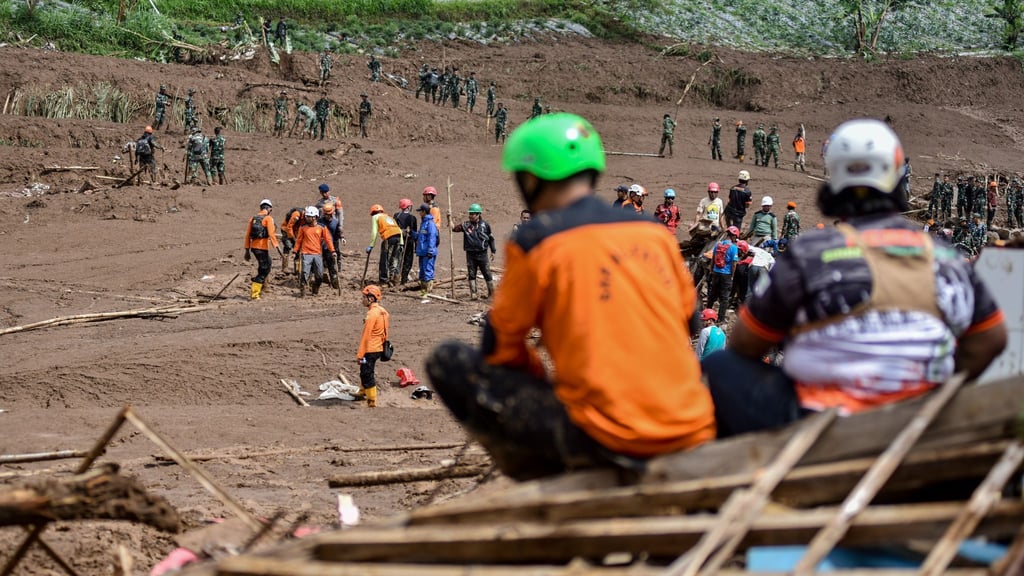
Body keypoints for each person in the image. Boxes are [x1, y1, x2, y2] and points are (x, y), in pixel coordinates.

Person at [425, 113, 716, 480]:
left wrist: (543, 380)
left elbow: (500, 350)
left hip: (606, 440)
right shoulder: (654, 232)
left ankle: (541, 474)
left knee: (448, 360)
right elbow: (688, 320)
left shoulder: (537, 240)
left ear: (530, 179)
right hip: (691, 429)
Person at [703, 118, 1007, 437]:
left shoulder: (810, 252)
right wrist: (941, 383)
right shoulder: (947, 257)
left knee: (719, 367)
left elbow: (745, 343)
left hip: (821, 423)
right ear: (897, 176)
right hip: (917, 419)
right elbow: (993, 338)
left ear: (833, 176)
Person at [451, 203, 497, 300]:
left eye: (473, 214)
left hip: (482, 253)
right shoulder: (466, 225)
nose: (470, 216)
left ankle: (491, 293)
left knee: (487, 273)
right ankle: (474, 294)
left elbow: (491, 239)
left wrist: (493, 251)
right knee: (472, 274)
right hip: (470, 254)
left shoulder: (485, 225)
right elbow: (454, 228)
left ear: (478, 214)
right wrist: (449, 219)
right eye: (470, 214)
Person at [355, 284, 390, 408]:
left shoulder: (371, 315)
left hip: (370, 350)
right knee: (365, 370)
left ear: (371, 298)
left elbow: (366, 336)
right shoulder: (383, 311)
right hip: (379, 348)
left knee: (366, 373)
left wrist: (360, 355)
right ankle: (362, 392)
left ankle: (371, 400)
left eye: (364, 297)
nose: (362, 299)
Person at [293, 206, 334, 297]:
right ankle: (302, 290)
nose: (307, 218)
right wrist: (295, 251)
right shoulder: (303, 228)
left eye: (309, 217)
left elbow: (328, 240)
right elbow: (299, 240)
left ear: (315, 217)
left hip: (317, 254)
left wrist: (332, 250)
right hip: (306, 253)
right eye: (307, 216)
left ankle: (315, 288)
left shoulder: (322, 227)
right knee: (304, 273)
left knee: (319, 275)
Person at [243, 199, 279, 301]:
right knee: (264, 269)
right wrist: (277, 247)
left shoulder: (253, 218)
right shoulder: (268, 219)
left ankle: (262, 286)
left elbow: (247, 235)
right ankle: (255, 293)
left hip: (254, 248)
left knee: (267, 263)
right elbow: (272, 234)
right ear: (269, 209)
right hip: (262, 247)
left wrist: (247, 250)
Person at [706, 226, 740, 320]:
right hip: (726, 274)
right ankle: (720, 319)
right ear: (733, 236)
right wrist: (732, 275)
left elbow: (713, 258)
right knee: (724, 297)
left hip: (716, 272)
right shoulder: (734, 248)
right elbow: (734, 263)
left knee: (712, 294)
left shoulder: (718, 244)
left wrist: (712, 269)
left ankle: (707, 312)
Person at [368, 204, 404, 286]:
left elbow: (374, 232)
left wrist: (371, 245)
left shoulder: (375, 217)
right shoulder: (389, 217)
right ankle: (394, 278)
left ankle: (384, 280)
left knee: (385, 259)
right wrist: (401, 243)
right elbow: (399, 229)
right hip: (398, 236)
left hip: (389, 237)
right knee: (395, 258)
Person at [415, 203, 440, 298]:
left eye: (420, 211)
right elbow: (420, 236)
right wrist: (412, 234)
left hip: (428, 252)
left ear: (424, 212)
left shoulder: (430, 224)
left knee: (428, 271)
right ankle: (423, 292)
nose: (419, 213)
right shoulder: (423, 223)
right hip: (422, 251)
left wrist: (430, 250)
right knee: (422, 271)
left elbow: (432, 238)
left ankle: (428, 292)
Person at [394, 199, 418, 285]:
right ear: (408, 207)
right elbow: (415, 233)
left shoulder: (396, 216)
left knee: (397, 259)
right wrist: (416, 245)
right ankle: (404, 279)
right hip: (409, 241)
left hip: (398, 241)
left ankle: (395, 278)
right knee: (407, 260)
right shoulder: (413, 218)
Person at [319, 203, 343, 289]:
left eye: (328, 214)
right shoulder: (320, 222)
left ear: (332, 213)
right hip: (320, 246)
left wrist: (341, 238)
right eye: (325, 214)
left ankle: (334, 283)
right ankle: (320, 280)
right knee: (320, 264)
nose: (327, 216)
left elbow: (337, 233)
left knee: (332, 266)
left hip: (330, 246)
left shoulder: (335, 222)